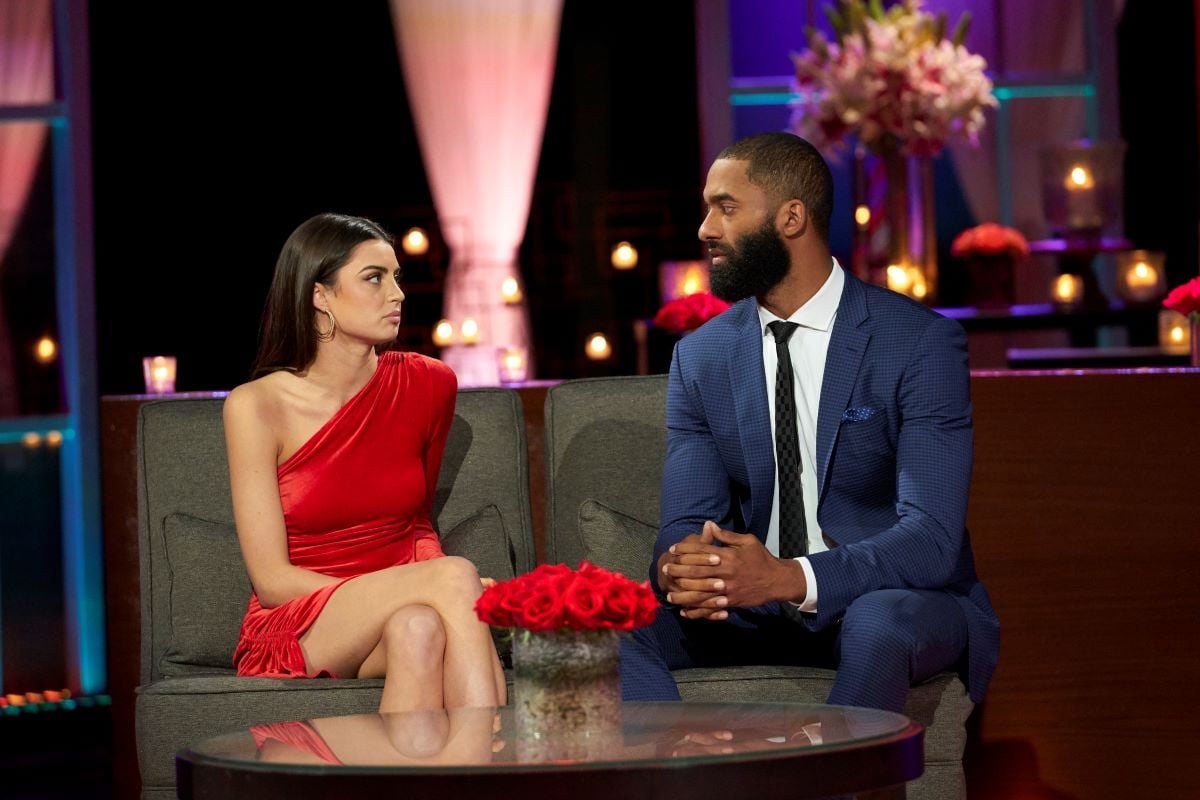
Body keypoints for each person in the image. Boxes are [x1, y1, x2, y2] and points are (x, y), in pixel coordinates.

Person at [619, 132, 1000, 713]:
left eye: (726, 207)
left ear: (791, 217)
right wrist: (685, 567)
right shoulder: (702, 356)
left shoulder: (918, 342)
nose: (705, 229)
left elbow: (931, 541)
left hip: (888, 596)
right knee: (600, 625)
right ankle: (683, 779)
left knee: (877, 623)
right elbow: (683, 523)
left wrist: (786, 577)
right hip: (754, 608)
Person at [224, 212, 505, 713]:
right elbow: (272, 580)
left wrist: (424, 587)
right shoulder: (255, 406)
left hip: (408, 603)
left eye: (396, 276)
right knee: (453, 578)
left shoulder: (429, 384)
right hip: (300, 619)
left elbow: (415, 522)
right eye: (374, 278)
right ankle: (494, 763)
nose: (396, 293)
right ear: (320, 295)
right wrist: (425, 585)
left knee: (417, 628)